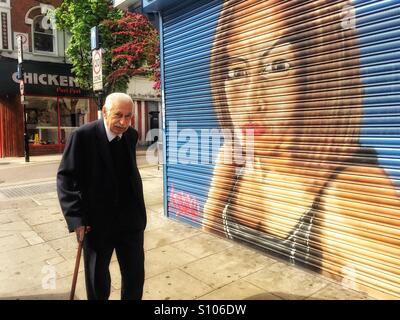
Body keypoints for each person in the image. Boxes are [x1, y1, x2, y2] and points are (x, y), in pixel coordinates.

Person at [203, 0, 400, 298]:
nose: (252, 101)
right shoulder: (235, 155)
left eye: (277, 67)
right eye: (236, 72)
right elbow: (210, 235)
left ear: (322, 70)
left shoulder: (351, 190)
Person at [57, 92, 146, 300]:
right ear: (104, 112)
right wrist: (76, 219)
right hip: (96, 223)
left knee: (134, 277)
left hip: (130, 222)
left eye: (128, 116)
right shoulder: (82, 136)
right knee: (97, 281)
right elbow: (65, 178)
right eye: (118, 115)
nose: (124, 122)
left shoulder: (131, 135)